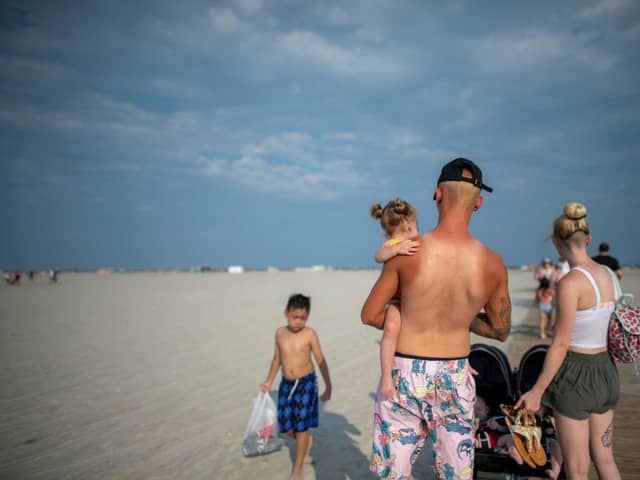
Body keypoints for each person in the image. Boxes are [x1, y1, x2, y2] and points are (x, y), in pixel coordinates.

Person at [362, 157, 511, 480]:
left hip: (404, 373)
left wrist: (407, 310)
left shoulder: (406, 251)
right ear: (479, 203)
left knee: (393, 473)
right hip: (455, 374)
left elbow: (370, 314)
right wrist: (463, 316)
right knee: (455, 473)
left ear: (437, 195)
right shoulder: (493, 264)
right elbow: (500, 330)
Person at [516, 203, 621, 480]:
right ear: (588, 239)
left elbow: (561, 344)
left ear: (555, 242)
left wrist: (537, 391)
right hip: (606, 372)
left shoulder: (570, 283)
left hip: (576, 375)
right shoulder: (607, 275)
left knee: (576, 469)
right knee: (606, 461)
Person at [260, 293, 332, 480]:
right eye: (295, 317)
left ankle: (297, 469)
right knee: (285, 427)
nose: (298, 321)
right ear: (286, 313)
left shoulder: (310, 334)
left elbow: (320, 360)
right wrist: (268, 381)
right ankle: (304, 441)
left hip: (305, 384)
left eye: (303, 318)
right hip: (286, 385)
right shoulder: (279, 333)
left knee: (301, 427)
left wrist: (328, 386)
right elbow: (277, 359)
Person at [369, 198, 420, 398]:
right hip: (397, 301)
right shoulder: (393, 245)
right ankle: (387, 377)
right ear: (408, 226)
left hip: (417, 298)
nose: (413, 231)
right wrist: (396, 249)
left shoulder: (419, 243)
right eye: (413, 226)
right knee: (391, 329)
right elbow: (378, 256)